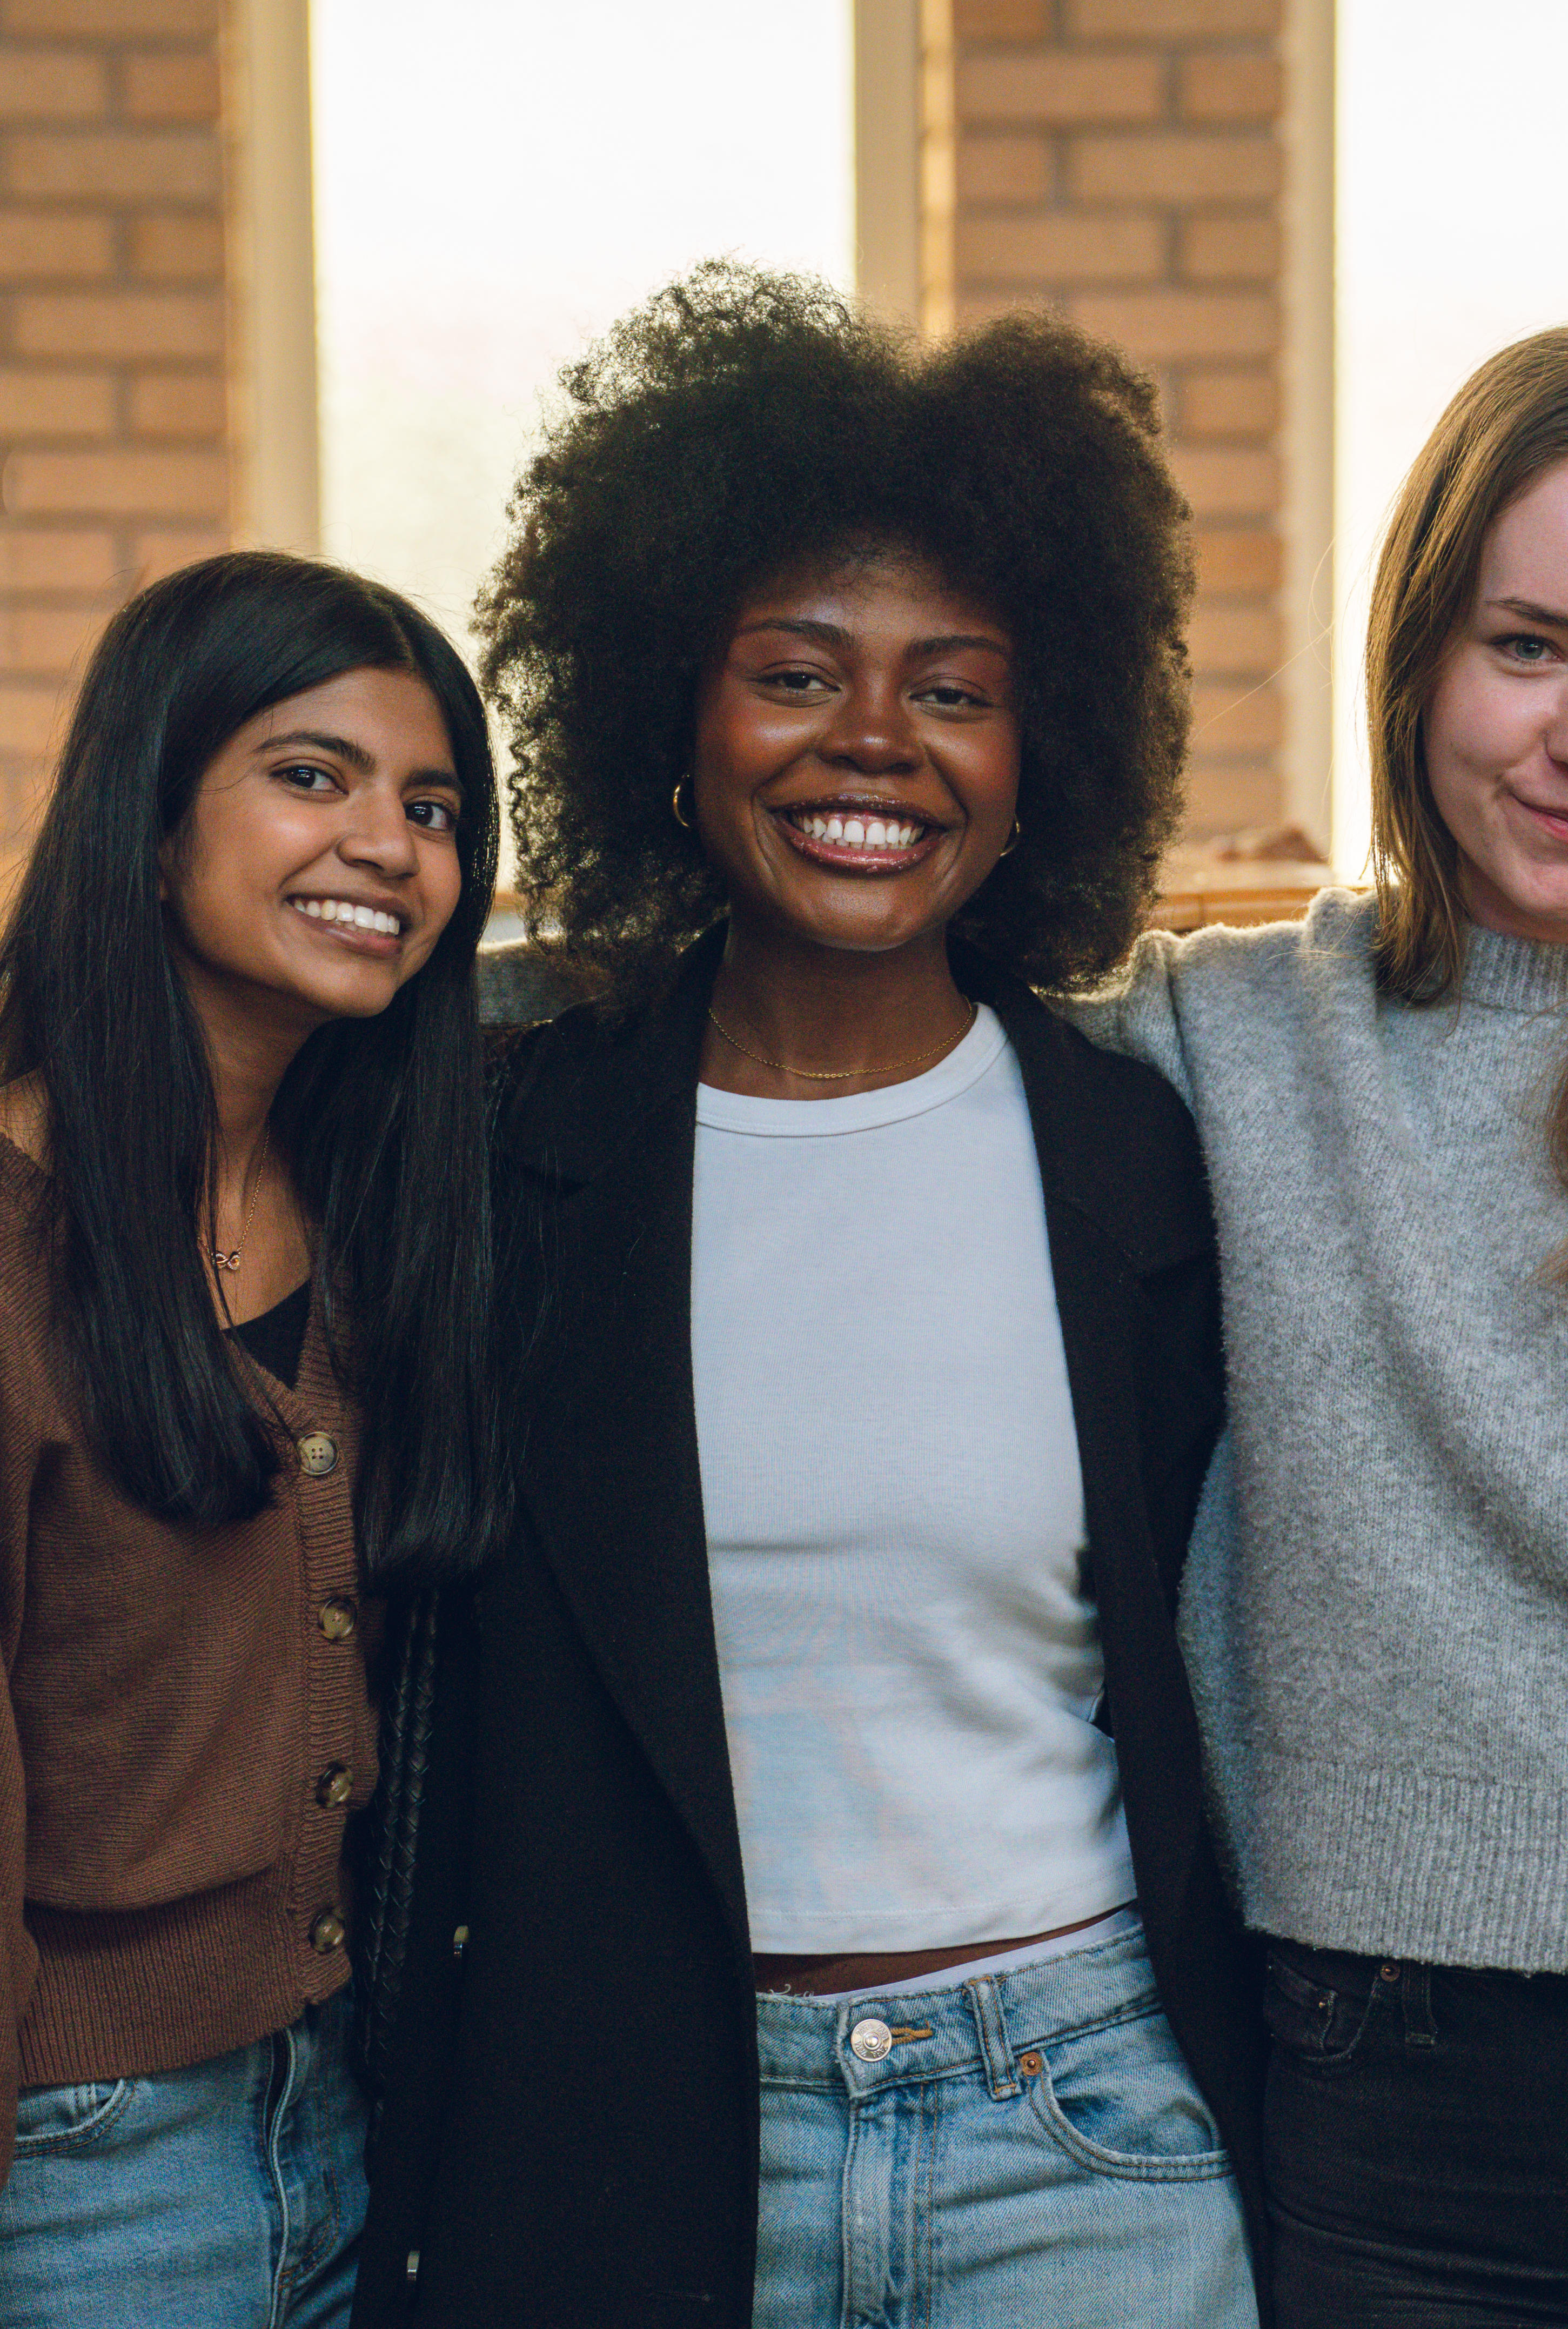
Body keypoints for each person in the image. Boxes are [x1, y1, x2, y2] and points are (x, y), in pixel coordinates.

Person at [350, 264, 1264, 2328]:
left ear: (1047, 753)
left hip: (1077, 2138)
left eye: (954, 688)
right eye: (798, 672)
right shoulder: (503, 1148)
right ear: (670, 712)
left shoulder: (1135, 1159)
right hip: (630, 2135)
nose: (876, 741)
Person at [1071, 323, 1568, 2324]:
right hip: (1402, 2117)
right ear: (1416, 649)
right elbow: (829, 1026)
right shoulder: (1229, 1036)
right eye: (1529, 647)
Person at [0, 551, 502, 2327]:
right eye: (312, 777)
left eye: (433, 806)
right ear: (148, 821)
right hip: (75, 2168)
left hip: (344, 2120)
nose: (389, 846)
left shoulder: (378, 1209)